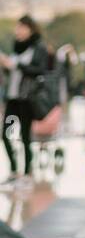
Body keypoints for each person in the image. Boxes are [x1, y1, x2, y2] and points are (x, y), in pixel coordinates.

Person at [1, 15, 53, 188]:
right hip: (13, 97)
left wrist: (16, 66)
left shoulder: (38, 48)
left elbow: (40, 70)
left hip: (27, 98)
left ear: (30, 29)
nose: (18, 31)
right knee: (6, 134)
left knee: (25, 135)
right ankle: (15, 170)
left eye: (21, 27)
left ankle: (28, 171)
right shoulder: (17, 47)